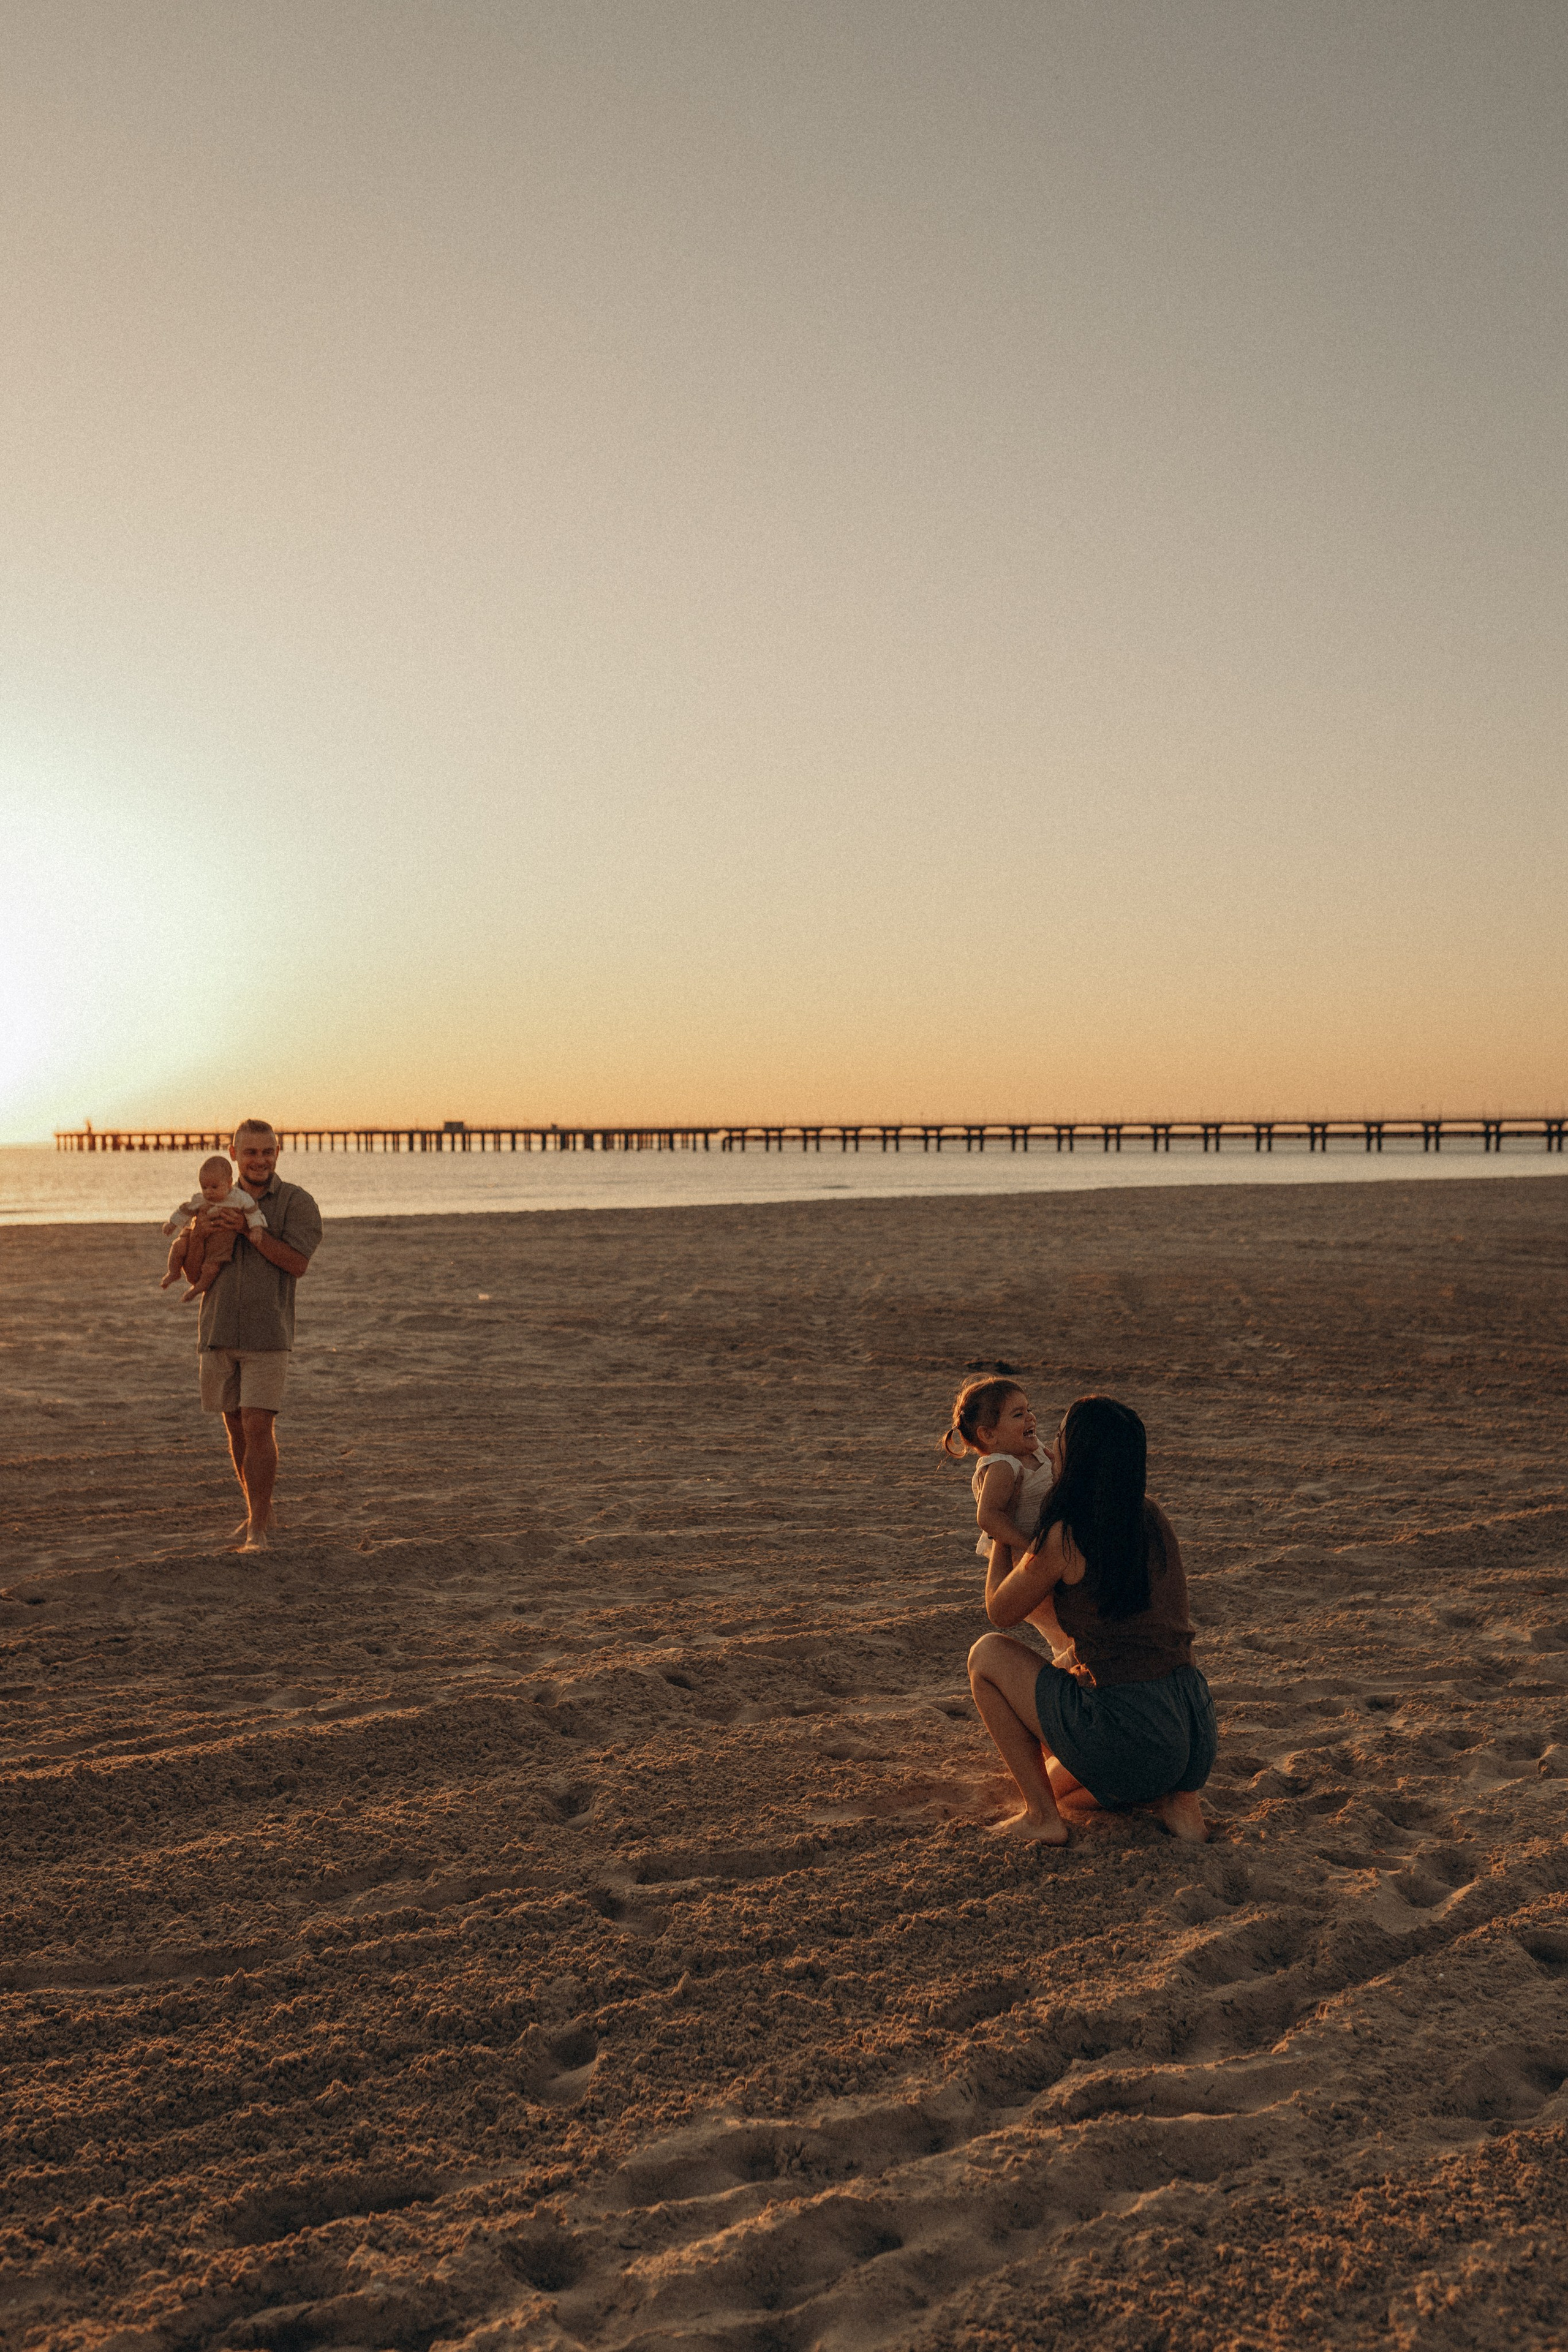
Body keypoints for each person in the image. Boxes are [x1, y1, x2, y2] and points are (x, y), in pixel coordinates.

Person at [967, 1396, 1216, 1845]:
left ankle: (1042, 1817)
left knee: (986, 1656)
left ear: (1077, 1455)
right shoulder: (1150, 1516)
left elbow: (1000, 1612)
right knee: (1069, 1734)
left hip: (1133, 1731)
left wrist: (999, 1528)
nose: (1053, 1445)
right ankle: (1179, 1804)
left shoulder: (1066, 1535)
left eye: (1062, 1436)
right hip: (1194, 1728)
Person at [190, 1119, 322, 1553]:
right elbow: (194, 1273)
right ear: (234, 1155)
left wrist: (250, 1231)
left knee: (258, 1425)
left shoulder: (297, 1202)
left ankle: (257, 1531)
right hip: (218, 1327)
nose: (260, 1160)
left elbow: (297, 1264)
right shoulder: (211, 1201)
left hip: (268, 1332)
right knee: (236, 1430)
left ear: (278, 1153)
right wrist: (200, 1235)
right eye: (251, 1152)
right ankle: (258, 1511)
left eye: (268, 1152)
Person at [160, 1155, 268, 1297]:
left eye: (214, 1187)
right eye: (204, 1187)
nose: (209, 1191)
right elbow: (186, 1210)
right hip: (196, 1233)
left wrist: (256, 1229)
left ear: (229, 1183)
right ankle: (173, 1272)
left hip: (221, 1240)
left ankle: (199, 1287)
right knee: (178, 1245)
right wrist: (173, 1223)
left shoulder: (239, 1198)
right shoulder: (201, 1199)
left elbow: (253, 1212)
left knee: (211, 1267)